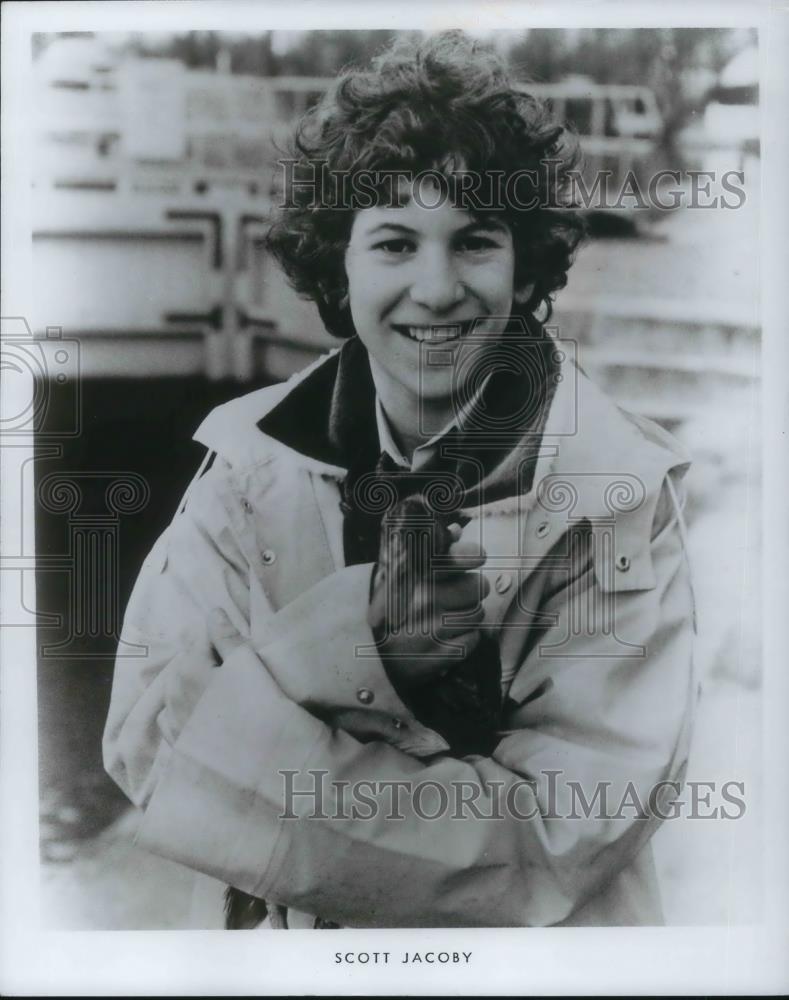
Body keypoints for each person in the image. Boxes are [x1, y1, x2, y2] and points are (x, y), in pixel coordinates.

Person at [103, 31, 697, 928]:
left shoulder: (615, 491)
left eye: (473, 242)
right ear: (335, 261)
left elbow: (557, 838)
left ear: (523, 261)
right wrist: (356, 647)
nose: (435, 288)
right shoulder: (245, 463)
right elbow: (145, 749)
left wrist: (258, 760)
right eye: (391, 242)